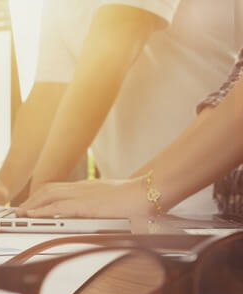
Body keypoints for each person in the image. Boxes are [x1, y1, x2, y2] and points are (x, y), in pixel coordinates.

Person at [0, 0, 238, 216]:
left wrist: (36, 200)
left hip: (201, 200)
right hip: (126, 203)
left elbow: (116, 40)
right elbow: (49, 92)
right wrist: (4, 186)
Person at [18, 47, 243, 219]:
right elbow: (227, 100)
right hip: (223, 232)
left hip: (195, 209)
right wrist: (134, 187)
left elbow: (116, 44)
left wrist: (146, 190)